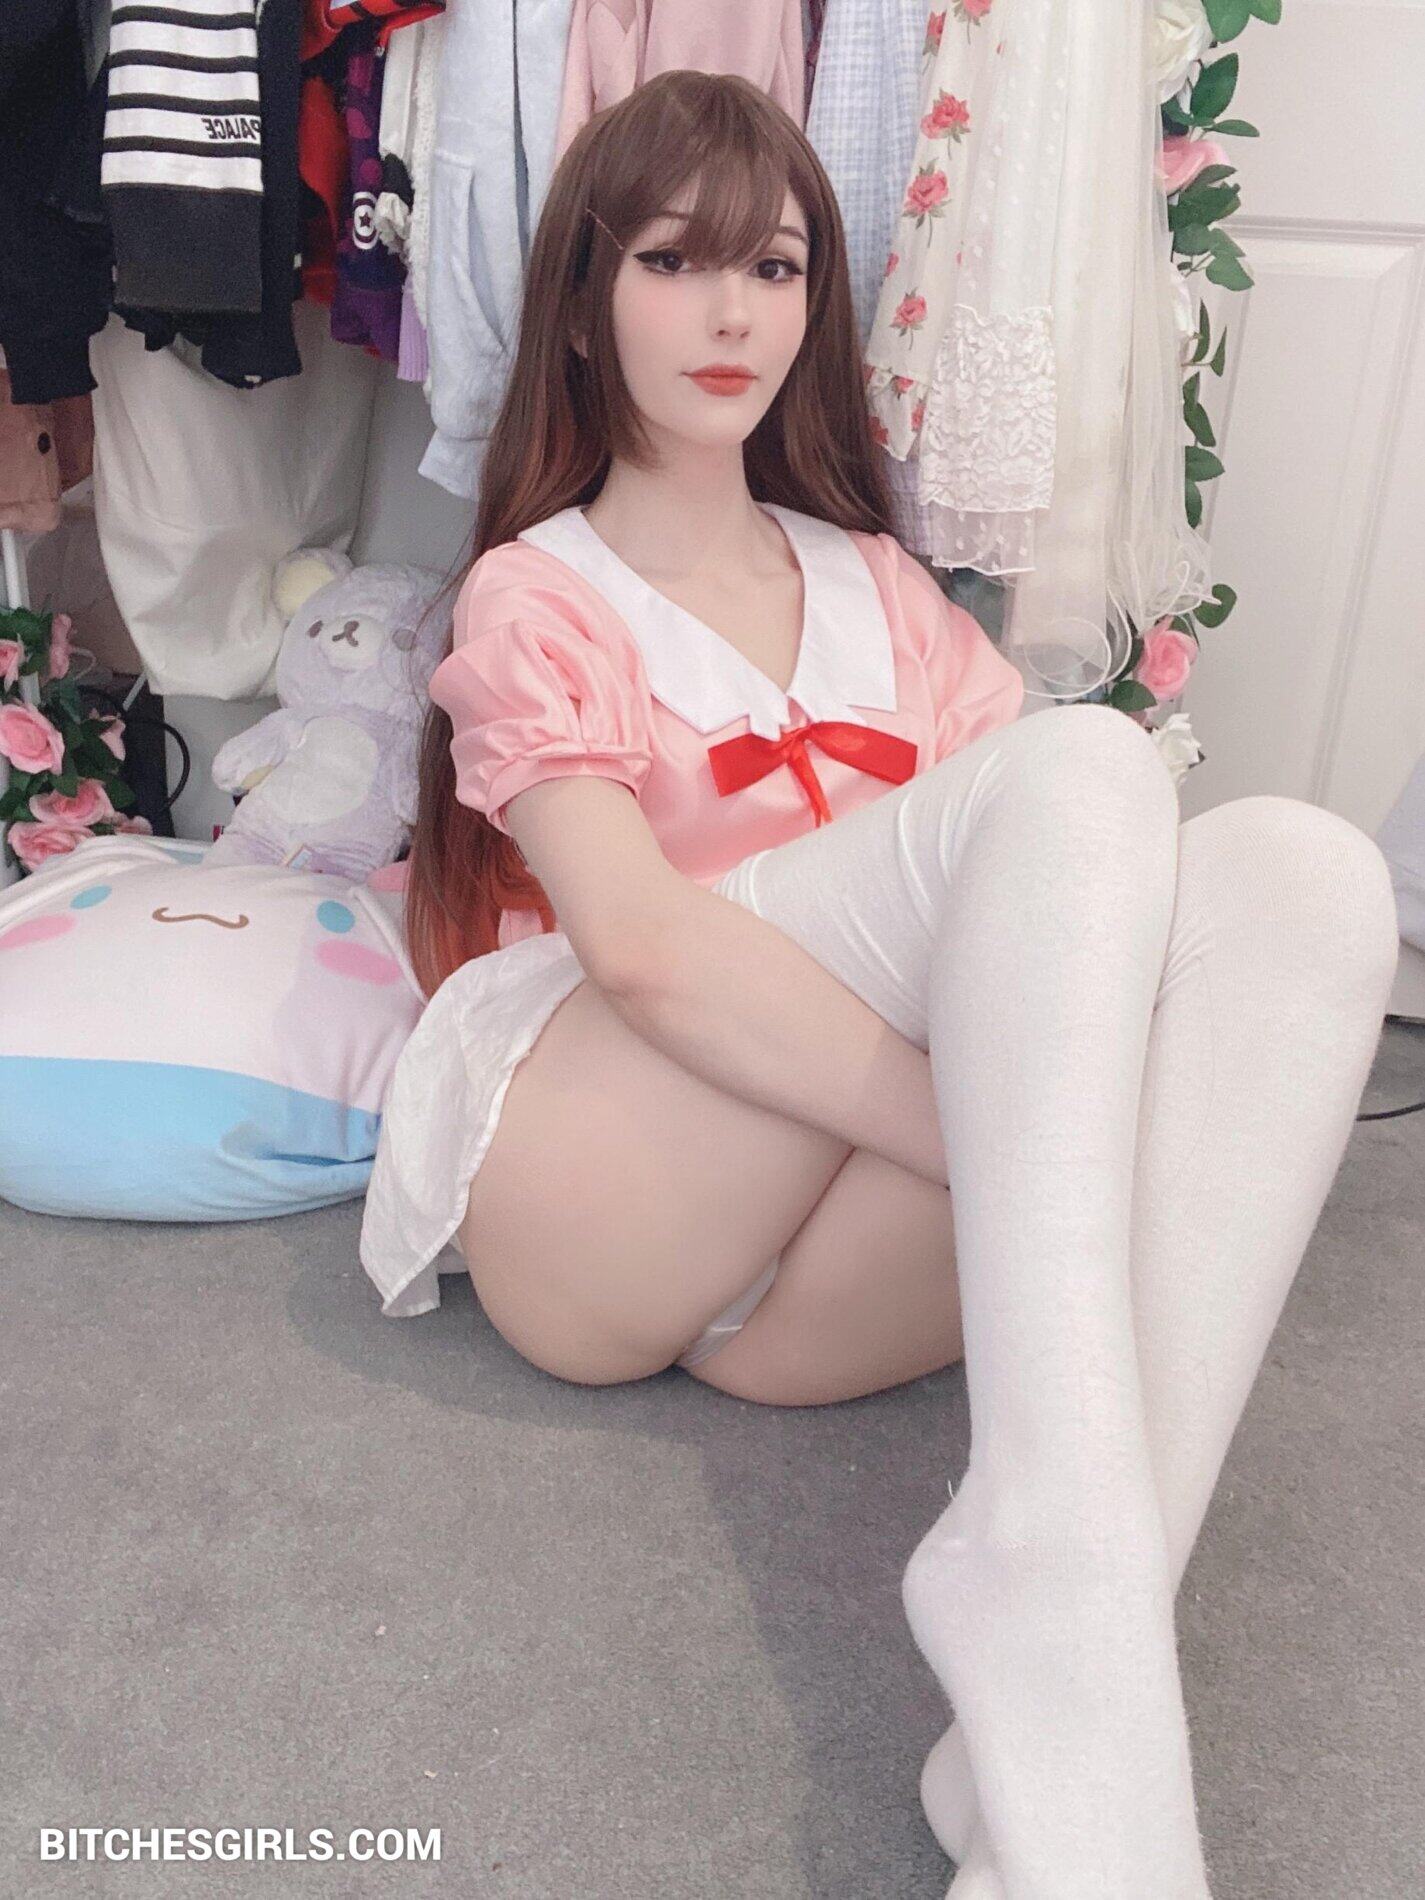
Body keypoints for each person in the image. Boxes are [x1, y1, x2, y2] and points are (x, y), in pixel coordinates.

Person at [359, 71, 1401, 1898]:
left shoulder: (883, 590)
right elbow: (645, 950)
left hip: (830, 1276)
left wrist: (1038, 1123)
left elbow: (1060, 944)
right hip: (612, 1193)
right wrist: (1011, 1140)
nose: (732, 313)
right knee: (1080, 769)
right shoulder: (541, 594)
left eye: (772, 267)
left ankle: (1055, 1644)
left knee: (1307, 877)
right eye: (674, 262)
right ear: (583, 307)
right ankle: (1057, 1585)